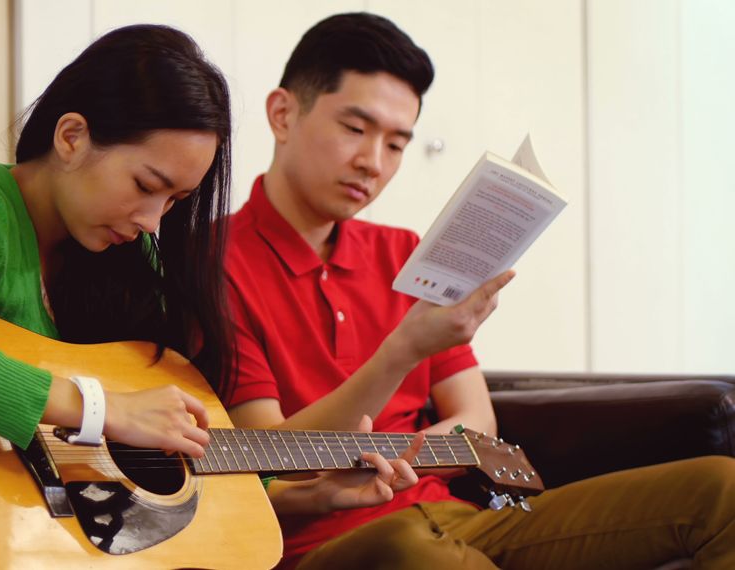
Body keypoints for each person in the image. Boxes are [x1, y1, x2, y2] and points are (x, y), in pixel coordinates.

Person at [224, 12, 735, 569]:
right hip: (331, 545)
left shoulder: (402, 252)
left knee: (720, 489)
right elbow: (273, 460)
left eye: (396, 144)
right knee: (414, 552)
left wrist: (402, 459)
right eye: (355, 129)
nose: (373, 162)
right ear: (282, 114)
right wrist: (403, 352)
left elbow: (477, 420)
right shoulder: (212, 264)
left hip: (455, 518)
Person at [0, 24, 233, 460]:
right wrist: (102, 408)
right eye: (144, 184)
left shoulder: (128, 252)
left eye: (175, 199)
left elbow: (166, 431)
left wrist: (280, 491)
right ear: (71, 137)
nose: (152, 221)